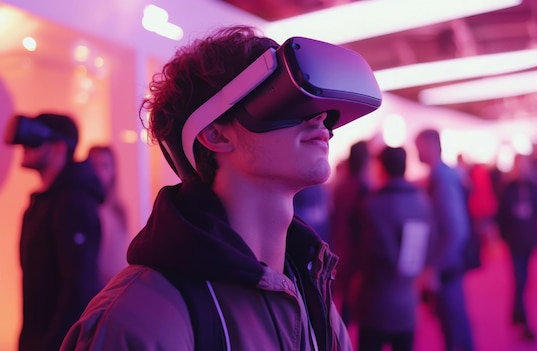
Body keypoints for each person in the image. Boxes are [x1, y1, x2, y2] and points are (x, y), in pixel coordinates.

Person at [61, 25, 381, 350]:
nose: (321, 118)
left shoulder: (309, 288)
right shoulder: (139, 317)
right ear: (216, 134)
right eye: (286, 100)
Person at [4, 113, 104, 351]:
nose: (24, 147)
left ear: (60, 148)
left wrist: (52, 345)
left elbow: (78, 288)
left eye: (35, 140)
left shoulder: (73, 203)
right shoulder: (45, 201)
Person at [354, 146, 433, 351]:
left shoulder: (373, 204)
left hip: (376, 301)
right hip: (408, 300)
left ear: (381, 167)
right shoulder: (421, 202)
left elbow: (365, 254)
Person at [415, 128, 475, 351]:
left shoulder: (441, 179)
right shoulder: (442, 176)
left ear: (430, 146)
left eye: (418, 146)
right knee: (455, 326)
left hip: (448, 267)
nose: (416, 152)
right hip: (448, 264)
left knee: (455, 329)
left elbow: (456, 230)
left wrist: (435, 267)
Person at [495, 153, 537, 341]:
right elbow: (501, 215)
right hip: (514, 241)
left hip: (529, 240)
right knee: (519, 280)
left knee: (523, 280)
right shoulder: (508, 190)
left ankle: (516, 314)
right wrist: (501, 237)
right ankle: (524, 321)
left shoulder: (534, 189)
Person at [329, 140, 372, 325]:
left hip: (339, 245)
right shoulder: (364, 188)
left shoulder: (341, 186)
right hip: (356, 252)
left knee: (342, 301)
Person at [87, 145, 131, 285]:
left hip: (117, 285)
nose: (99, 172)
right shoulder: (85, 208)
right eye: (94, 165)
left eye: (105, 166)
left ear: (113, 171)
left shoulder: (119, 210)